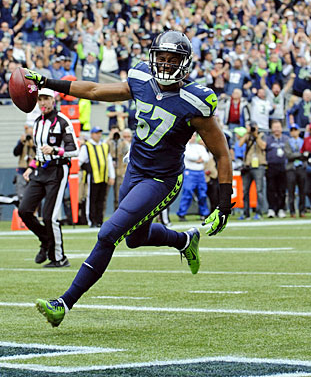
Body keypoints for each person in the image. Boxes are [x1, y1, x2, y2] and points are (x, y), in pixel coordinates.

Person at [28, 30, 233, 327]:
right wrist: (47, 82)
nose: (164, 65)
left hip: (162, 180)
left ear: (184, 63)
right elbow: (95, 91)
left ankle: (64, 303)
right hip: (135, 170)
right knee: (135, 238)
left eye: (171, 59)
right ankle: (185, 239)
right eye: (160, 58)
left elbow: (222, 154)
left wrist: (224, 205)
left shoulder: (196, 101)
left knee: (109, 232)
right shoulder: (140, 79)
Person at [18, 88, 79, 267]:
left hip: (57, 171)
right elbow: (38, 152)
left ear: (54, 100)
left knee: (49, 216)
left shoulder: (62, 121)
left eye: (46, 99)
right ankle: (45, 240)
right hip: (40, 171)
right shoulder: (37, 122)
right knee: (24, 210)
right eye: (40, 99)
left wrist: (56, 150)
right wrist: (31, 167)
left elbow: (74, 150)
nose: (42, 103)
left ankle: (59, 258)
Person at [78, 126, 115, 228]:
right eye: (96, 133)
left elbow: (109, 162)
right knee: (92, 200)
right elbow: (80, 161)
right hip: (92, 178)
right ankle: (92, 220)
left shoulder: (104, 146)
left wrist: (111, 176)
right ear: (92, 134)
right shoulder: (87, 146)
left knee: (101, 200)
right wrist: (85, 169)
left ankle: (99, 220)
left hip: (103, 177)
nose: (98, 135)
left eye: (100, 133)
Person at [176, 133, 210, 222]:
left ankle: (204, 213)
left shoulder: (200, 147)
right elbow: (190, 156)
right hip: (189, 172)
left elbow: (206, 157)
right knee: (187, 193)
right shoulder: (185, 146)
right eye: (191, 136)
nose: (193, 138)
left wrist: (200, 158)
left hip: (200, 172)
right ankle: (182, 213)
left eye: (194, 136)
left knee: (202, 194)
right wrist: (199, 158)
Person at [238, 121, 267, 220]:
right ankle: (246, 213)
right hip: (248, 165)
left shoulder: (262, 135)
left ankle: (259, 212)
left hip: (259, 166)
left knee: (259, 190)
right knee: (245, 190)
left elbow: (263, 146)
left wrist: (256, 135)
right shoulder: (248, 136)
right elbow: (240, 144)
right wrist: (247, 133)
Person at [265, 120, 288, 218]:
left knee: (281, 189)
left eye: (278, 127)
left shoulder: (286, 139)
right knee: (271, 188)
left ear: (281, 128)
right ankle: (271, 209)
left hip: (283, 166)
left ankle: (281, 208)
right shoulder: (268, 139)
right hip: (271, 166)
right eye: (275, 127)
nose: (277, 129)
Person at [13, 122, 36, 203]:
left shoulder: (37, 140)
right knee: (21, 195)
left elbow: (38, 153)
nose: (28, 130)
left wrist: (32, 144)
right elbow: (15, 153)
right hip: (22, 170)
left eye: (30, 128)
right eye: (26, 129)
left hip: (33, 170)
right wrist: (21, 142)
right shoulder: (22, 140)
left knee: (34, 196)